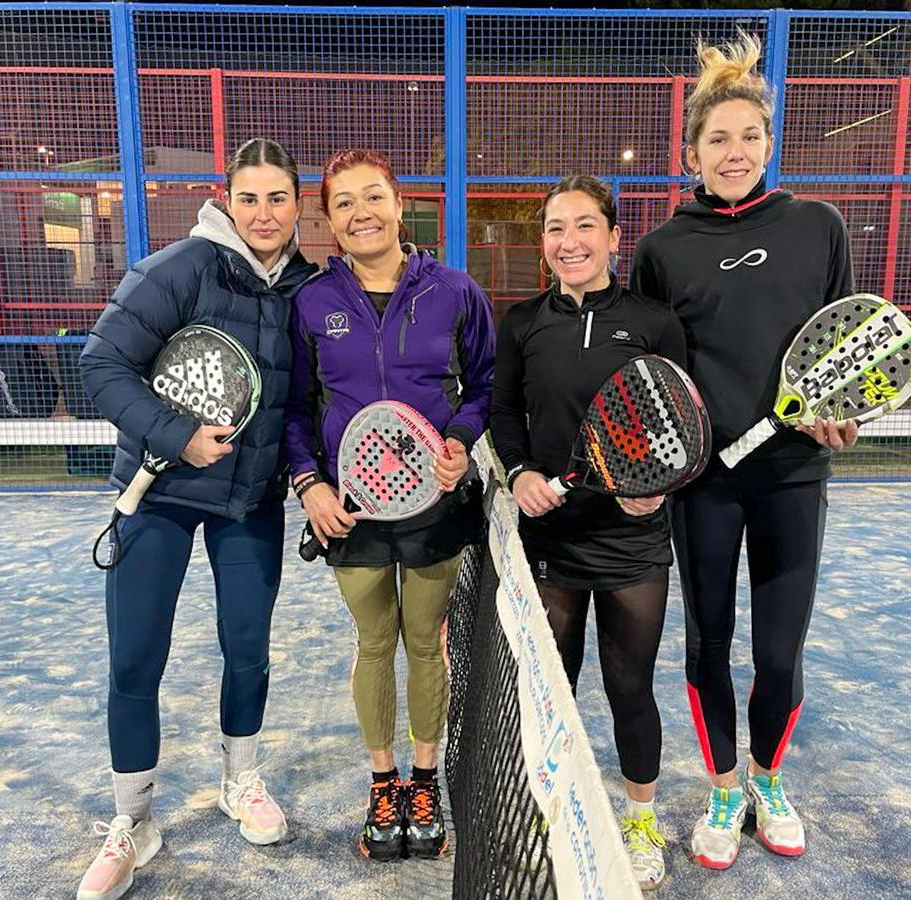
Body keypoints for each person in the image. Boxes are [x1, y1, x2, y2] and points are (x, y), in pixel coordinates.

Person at [631, 33, 859, 871]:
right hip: (704, 485)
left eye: (748, 137)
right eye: (717, 139)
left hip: (794, 476)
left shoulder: (818, 228)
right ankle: (724, 785)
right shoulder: (662, 249)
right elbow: (655, 374)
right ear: (691, 151)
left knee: (778, 651)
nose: (734, 153)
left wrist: (844, 417)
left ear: (770, 142)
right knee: (708, 639)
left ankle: (768, 778)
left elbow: (848, 351)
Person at [77, 138, 319, 899]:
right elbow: (101, 364)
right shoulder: (178, 268)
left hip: (250, 503)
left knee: (247, 647)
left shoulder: (308, 287)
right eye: (249, 198)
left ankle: (239, 782)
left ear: (297, 203)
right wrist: (176, 434)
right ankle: (133, 822)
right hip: (161, 498)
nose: (264, 213)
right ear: (226, 199)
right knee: (135, 660)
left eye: (278, 198)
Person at [284, 149, 495, 862]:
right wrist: (310, 483)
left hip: (434, 501)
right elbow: (293, 408)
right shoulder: (311, 302)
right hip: (352, 507)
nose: (361, 212)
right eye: (343, 203)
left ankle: (426, 779)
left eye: (373, 197)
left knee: (425, 639)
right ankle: (384, 784)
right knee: (375, 641)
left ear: (400, 205)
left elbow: (486, 382)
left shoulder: (455, 290)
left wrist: (462, 440)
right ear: (330, 221)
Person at [489, 174, 687, 891]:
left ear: (611, 236)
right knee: (555, 691)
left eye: (582, 226)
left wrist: (657, 485)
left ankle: (639, 820)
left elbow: (679, 417)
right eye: (553, 229)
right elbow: (504, 411)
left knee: (631, 685)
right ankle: (552, 809)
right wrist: (517, 475)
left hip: (633, 541)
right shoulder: (521, 323)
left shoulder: (656, 322)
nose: (567, 242)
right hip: (552, 539)